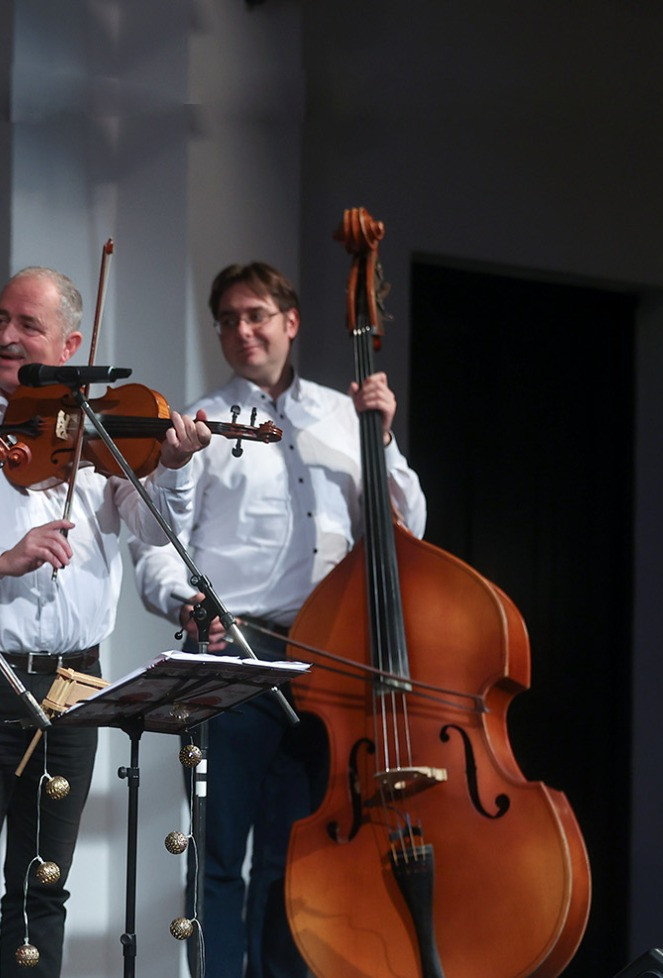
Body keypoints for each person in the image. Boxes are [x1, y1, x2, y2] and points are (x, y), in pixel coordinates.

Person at [0, 266, 212, 978]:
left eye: (27, 325)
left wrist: (175, 467)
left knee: (43, 889)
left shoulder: (98, 436)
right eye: (1, 319)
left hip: (73, 685)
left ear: (70, 345)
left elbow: (156, 531)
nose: (6, 336)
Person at [132, 261, 427, 978]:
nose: (242, 330)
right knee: (217, 859)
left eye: (256, 314)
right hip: (234, 652)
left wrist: (383, 439)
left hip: (327, 662)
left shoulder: (345, 415)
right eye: (228, 319)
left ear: (290, 322)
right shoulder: (200, 423)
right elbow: (156, 547)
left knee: (295, 859)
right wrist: (184, 602)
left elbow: (408, 530)